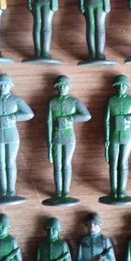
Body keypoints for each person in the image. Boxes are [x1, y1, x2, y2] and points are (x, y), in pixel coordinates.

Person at [0, 74, 34, 203]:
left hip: (12, 134)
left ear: (10, 86)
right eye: (0, 85)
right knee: (1, 163)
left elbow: (29, 114)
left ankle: (11, 190)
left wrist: (13, 117)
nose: (2, 87)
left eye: (5, 85)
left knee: (10, 162)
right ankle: (3, 191)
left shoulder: (16, 100)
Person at [103, 75, 131, 203]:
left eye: (123, 85)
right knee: (113, 163)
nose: (121, 88)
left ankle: (122, 190)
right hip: (114, 135)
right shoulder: (111, 101)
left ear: (127, 87)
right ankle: (113, 190)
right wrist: (107, 138)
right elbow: (106, 121)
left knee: (123, 162)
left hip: (127, 135)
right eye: (119, 85)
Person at [47, 75, 91, 203]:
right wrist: (49, 141)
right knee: (57, 164)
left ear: (68, 87)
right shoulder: (52, 102)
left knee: (66, 163)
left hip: (68, 135)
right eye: (60, 86)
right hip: (56, 135)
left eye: (64, 86)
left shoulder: (74, 101)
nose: (62, 88)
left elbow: (86, 116)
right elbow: (49, 122)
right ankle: (58, 191)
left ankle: (65, 192)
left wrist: (72, 118)